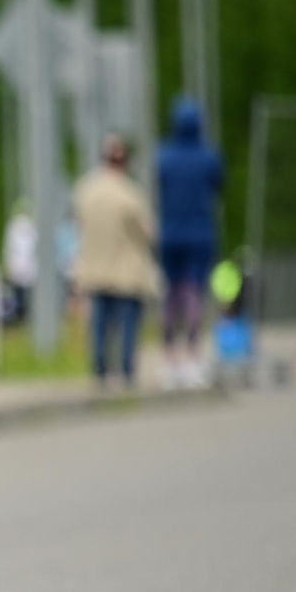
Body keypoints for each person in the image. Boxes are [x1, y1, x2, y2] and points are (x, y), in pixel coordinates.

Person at [72, 133, 158, 388]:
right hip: (126, 269)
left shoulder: (85, 191)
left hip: (95, 266)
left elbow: (78, 223)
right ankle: (126, 371)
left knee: (99, 322)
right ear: (125, 162)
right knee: (128, 323)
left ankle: (99, 370)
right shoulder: (131, 194)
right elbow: (147, 232)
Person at [154, 96, 225, 388]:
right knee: (194, 292)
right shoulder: (209, 157)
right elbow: (219, 188)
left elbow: (159, 186)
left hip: (170, 234)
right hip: (199, 234)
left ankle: (170, 359)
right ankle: (193, 356)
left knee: (171, 294)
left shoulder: (163, 157)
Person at [2, 202, 38, 327]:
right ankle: (21, 315)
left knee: (23, 294)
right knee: (20, 294)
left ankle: (23, 315)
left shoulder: (22, 227)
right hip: (21, 265)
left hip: (23, 265)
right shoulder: (17, 227)